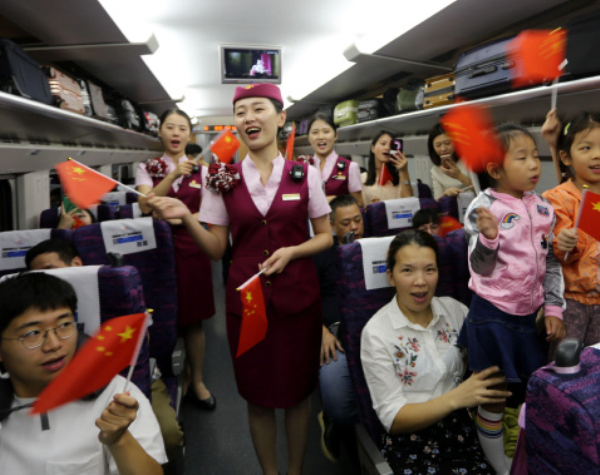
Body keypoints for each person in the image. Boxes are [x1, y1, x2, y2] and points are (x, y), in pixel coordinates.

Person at [146, 83, 333, 475]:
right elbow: (216, 248)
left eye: (259, 109)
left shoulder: (306, 175)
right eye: (242, 111)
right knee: (258, 396)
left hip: (298, 302)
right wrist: (184, 214)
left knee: (299, 396)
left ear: (280, 118)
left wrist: (294, 251)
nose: (249, 117)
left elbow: (326, 236)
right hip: (246, 305)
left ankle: (294, 472)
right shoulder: (221, 178)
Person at [457, 123, 566, 474]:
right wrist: (489, 238)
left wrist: (553, 307)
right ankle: (501, 467)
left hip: (529, 316)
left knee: (526, 393)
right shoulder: (483, 208)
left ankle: (523, 454)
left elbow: (549, 262)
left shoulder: (543, 207)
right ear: (495, 169)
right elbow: (479, 269)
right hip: (492, 315)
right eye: (522, 158)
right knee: (493, 396)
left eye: (536, 156)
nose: (535, 165)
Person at [24, 238, 184, 463]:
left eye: (49, 270)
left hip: (125, 380)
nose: (45, 280)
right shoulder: (27, 310)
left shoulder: (112, 288)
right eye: (36, 275)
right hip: (56, 385)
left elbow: (140, 344)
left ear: (76, 264)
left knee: (168, 434)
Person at [361, 230, 508, 474]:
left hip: (465, 431)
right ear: (391, 276)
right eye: (407, 270)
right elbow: (393, 419)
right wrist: (456, 398)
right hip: (410, 441)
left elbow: (490, 354)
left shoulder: (455, 311)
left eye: (429, 270)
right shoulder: (376, 333)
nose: (420, 281)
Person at [0, 272, 166, 474]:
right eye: (32, 334)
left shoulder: (115, 397)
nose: (54, 345)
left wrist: (119, 439)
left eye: (64, 325)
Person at [136, 109, 216, 411]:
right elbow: (146, 205)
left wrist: (182, 218)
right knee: (164, 318)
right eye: (170, 127)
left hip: (191, 248)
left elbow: (209, 214)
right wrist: (172, 174)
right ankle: (169, 375)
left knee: (193, 321)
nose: (176, 132)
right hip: (156, 249)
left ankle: (196, 380)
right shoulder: (147, 167)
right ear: (160, 132)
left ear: (189, 135)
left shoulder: (204, 172)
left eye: (182, 128)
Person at [542, 111, 600, 347]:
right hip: (572, 302)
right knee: (567, 370)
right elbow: (555, 257)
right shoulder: (557, 199)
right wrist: (562, 244)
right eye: (586, 148)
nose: (597, 155)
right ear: (566, 157)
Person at [314, 195, 363, 462]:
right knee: (337, 399)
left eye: (358, 219)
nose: (354, 227)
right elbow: (308, 299)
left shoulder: (378, 247)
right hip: (334, 331)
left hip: (377, 329)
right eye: (346, 223)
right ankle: (332, 419)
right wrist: (321, 330)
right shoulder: (320, 254)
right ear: (332, 226)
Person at [306, 113, 364, 206]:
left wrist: (334, 200)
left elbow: (359, 204)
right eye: (315, 132)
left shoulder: (351, 167)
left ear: (336, 135)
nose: (321, 137)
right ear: (308, 137)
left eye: (326, 131)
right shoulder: (303, 168)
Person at [361, 130, 413, 205]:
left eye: (391, 146)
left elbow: (409, 201)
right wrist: (370, 208)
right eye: (383, 144)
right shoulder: (362, 179)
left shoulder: (401, 177)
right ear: (373, 148)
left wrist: (404, 170)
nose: (387, 148)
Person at [428, 123, 473, 200]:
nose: (443, 149)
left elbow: (482, 190)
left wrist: (459, 176)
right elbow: (437, 202)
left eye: (447, 143)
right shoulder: (435, 171)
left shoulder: (469, 160)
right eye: (438, 145)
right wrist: (445, 195)